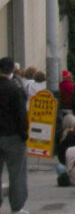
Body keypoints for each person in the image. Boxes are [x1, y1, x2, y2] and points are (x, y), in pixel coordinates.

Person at [0, 57, 28, 214]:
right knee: (16, 173)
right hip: (13, 136)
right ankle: (16, 207)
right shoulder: (15, 88)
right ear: (12, 70)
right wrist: (24, 134)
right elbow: (21, 114)